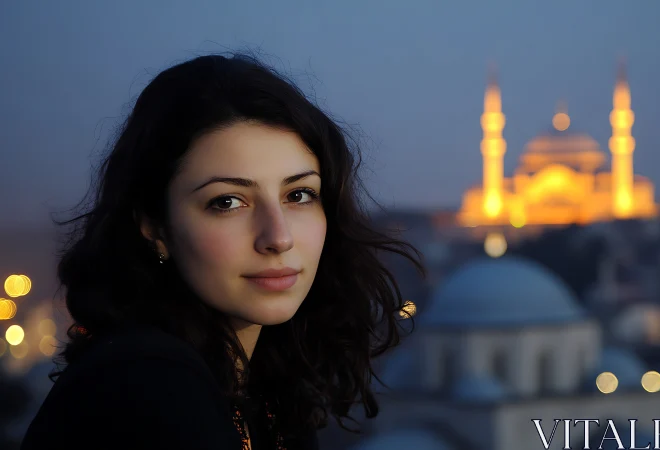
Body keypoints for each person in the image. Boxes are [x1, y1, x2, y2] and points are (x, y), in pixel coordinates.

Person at [21, 53, 424, 450]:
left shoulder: (262, 386)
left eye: (299, 194)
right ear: (154, 226)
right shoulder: (145, 386)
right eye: (227, 202)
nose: (278, 237)